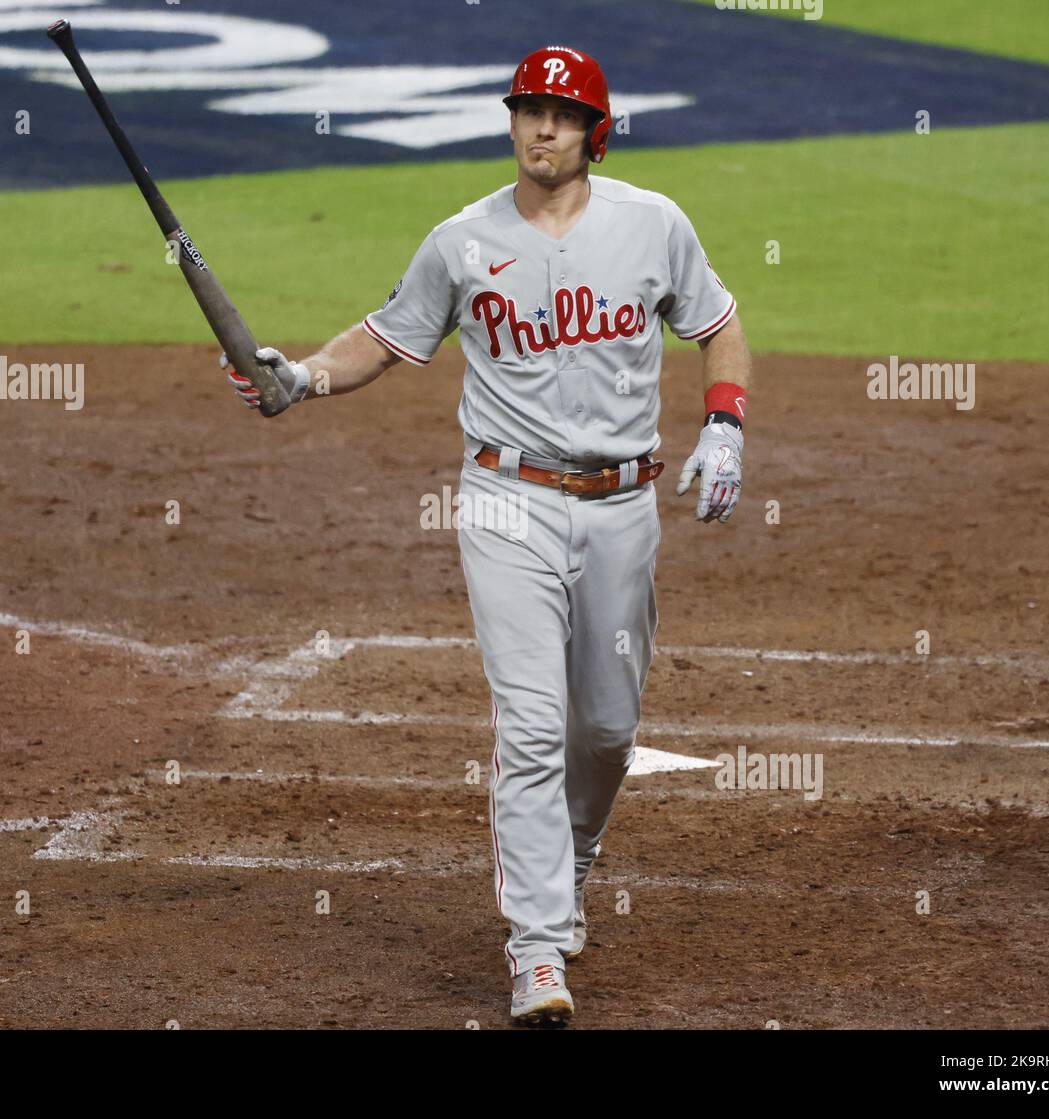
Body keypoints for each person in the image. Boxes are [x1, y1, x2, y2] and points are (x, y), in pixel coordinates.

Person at [224, 45, 753, 1027]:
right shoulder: (461, 241)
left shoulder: (653, 226)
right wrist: (300, 377)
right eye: (526, 110)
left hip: (623, 507)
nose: (539, 128)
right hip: (504, 500)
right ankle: (538, 951)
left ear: (594, 131)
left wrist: (724, 420)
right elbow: (385, 339)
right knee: (532, 725)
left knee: (605, 730)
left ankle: (575, 853)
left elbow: (718, 324)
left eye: (559, 114)